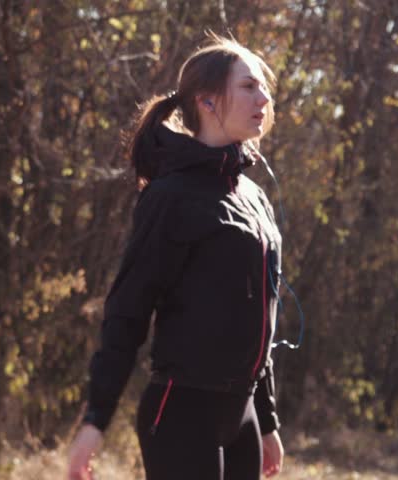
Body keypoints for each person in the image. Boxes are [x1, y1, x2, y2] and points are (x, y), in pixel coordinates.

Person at [67, 34, 285, 480]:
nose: (264, 97)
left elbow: (259, 317)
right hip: (181, 413)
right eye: (248, 86)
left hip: (241, 416)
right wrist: (95, 421)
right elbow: (127, 311)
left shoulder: (254, 197)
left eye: (264, 86)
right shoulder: (171, 196)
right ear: (206, 100)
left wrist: (267, 419)